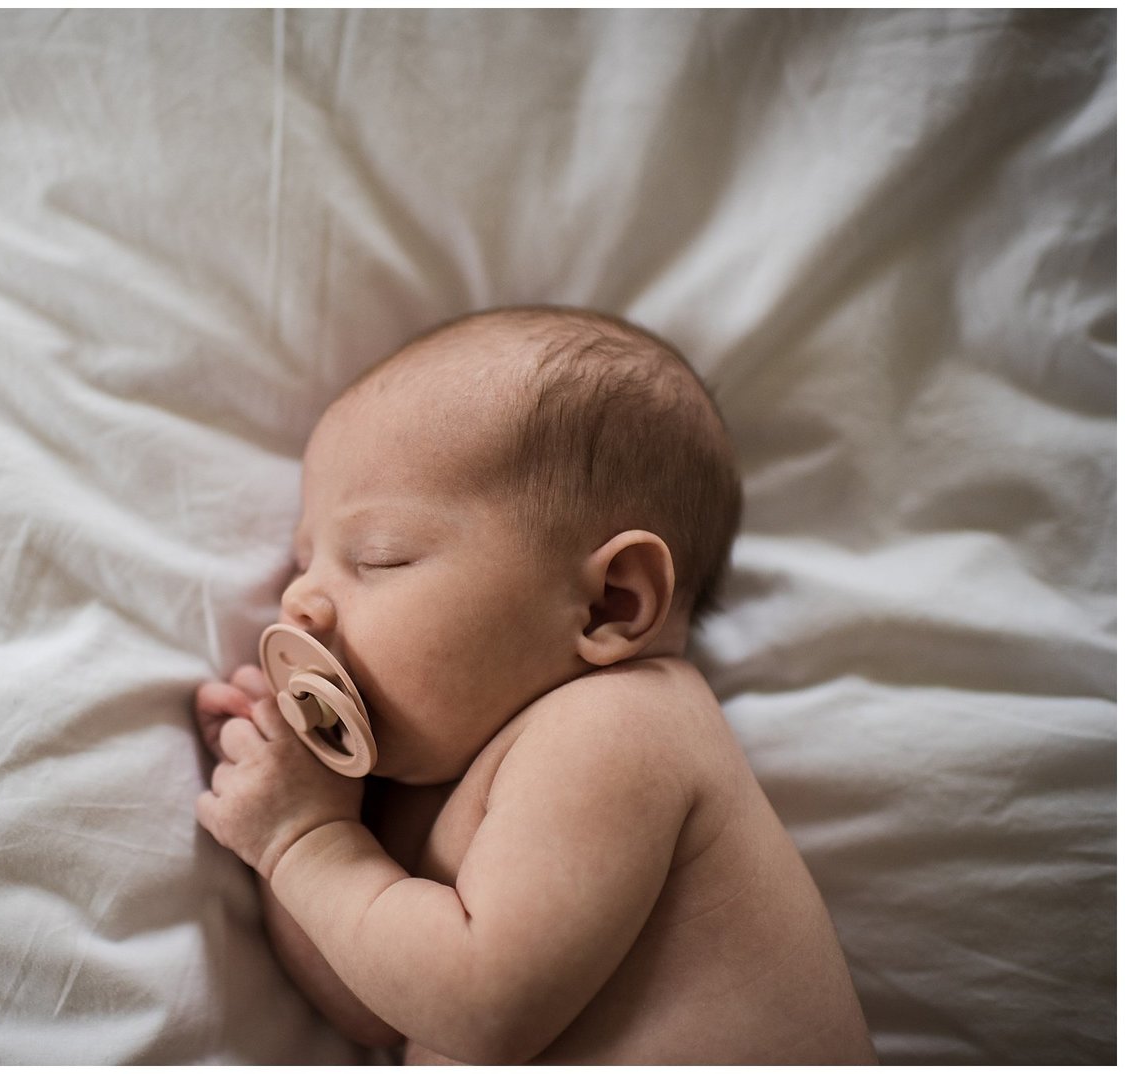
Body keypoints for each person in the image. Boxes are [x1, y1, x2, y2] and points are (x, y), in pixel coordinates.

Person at [193, 306, 875, 1064]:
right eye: (302, 561)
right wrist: (291, 811)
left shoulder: (623, 725)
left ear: (610, 603)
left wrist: (307, 844)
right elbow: (377, 1007)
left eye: (379, 556)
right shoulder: (436, 790)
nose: (299, 602)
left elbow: (479, 1007)